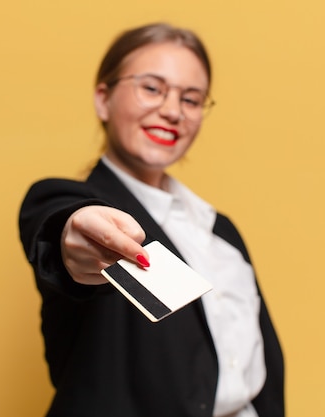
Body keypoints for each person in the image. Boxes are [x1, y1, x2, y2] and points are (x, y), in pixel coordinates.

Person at [19, 22, 284, 417]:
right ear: (103, 99)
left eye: (192, 99)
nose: (173, 110)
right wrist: (74, 233)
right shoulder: (72, 204)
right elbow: (60, 228)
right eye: (152, 88)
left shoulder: (220, 231)